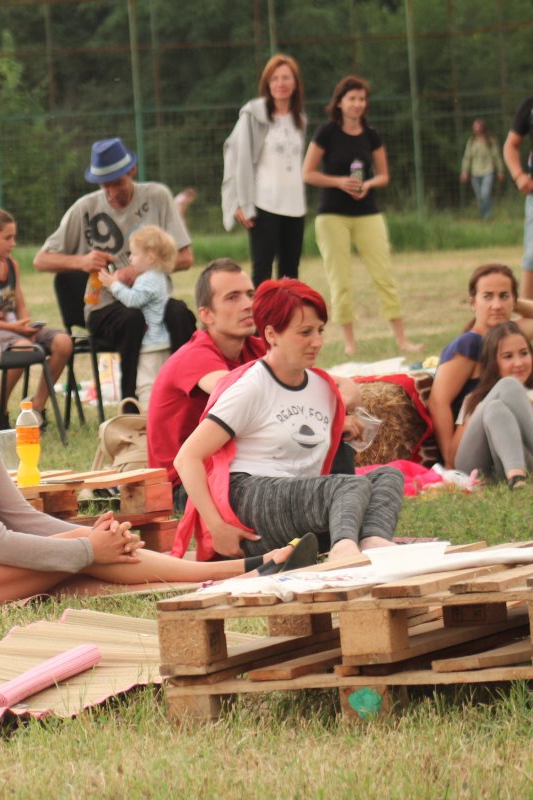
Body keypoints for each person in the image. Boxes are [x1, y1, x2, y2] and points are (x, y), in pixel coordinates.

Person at [0, 318, 306, 609]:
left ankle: (239, 572)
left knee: (94, 563)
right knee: (83, 560)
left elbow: (19, 515)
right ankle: (244, 569)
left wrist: (91, 536)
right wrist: (86, 549)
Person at [173, 279, 402, 564]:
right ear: (271, 334)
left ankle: (371, 542)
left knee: (388, 477)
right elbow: (187, 458)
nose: (316, 342)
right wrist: (217, 528)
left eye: (320, 331)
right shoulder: (252, 386)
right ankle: (344, 551)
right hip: (250, 499)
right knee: (348, 486)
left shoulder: (322, 387)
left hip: (299, 500)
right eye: (305, 332)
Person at [33, 137, 194, 402]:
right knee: (132, 319)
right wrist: (81, 262)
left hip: (153, 298)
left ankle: (184, 393)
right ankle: (130, 403)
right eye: (103, 184)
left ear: (132, 171)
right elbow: (41, 260)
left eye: (116, 183)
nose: (110, 192)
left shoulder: (157, 197)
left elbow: (186, 257)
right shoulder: (86, 208)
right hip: (106, 307)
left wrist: (140, 271)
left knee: (179, 313)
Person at [302, 75, 419, 357]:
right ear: (340, 102)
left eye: (362, 99)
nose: (357, 104)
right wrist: (338, 182)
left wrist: (367, 184)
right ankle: (350, 343)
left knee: (384, 275)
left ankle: (402, 339)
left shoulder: (371, 135)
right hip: (332, 215)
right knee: (340, 280)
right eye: (352, 98)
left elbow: (384, 175)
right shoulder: (326, 133)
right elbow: (308, 173)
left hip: (368, 213)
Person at [147, 260, 265, 511]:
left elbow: (307, 383)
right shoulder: (195, 354)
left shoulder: (255, 348)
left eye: (249, 295)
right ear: (206, 314)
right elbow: (233, 391)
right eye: (232, 297)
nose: (247, 305)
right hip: (183, 485)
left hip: (231, 469)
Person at [0, 207, 72, 427]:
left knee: (63, 342)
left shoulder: (11, 264)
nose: (13, 243)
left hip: (14, 330)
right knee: (23, 349)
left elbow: (20, 304)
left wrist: (27, 325)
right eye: (8, 238)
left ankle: (37, 408)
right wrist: (15, 329)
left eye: (14, 237)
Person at [428, 264, 533, 466]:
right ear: (472, 302)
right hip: (473, 440)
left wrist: (513, 304)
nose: (496, 305)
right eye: (487, 297)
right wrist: (450, 459)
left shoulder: (509, 335)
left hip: (506, 435)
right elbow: (437, 402)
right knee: (506, 389)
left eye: (504, 296)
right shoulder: (470, 343)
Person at [221, 54, 307, 287]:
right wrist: (239, 201)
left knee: (290, 272)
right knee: (262, 271)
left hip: (295, 205)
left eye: (286, 78)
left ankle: (286, 322)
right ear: (267, 84)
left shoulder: (300, 119)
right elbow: (234, 154)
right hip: (264, 204)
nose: (281, 84)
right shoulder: (254, 115)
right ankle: (258, 324)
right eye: (275, 78)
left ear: (295, 83)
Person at [95, 225, 177, 406]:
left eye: (134, 254)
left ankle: (149, 420)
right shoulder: (159, 277)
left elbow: (133, 300)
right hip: (160, 341)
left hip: (151, 344)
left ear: (150, 257)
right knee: (160, 384)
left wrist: (113, 284)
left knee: (146, 386)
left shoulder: (149, 279)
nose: (130, 258)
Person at [453, 322, 533, 490]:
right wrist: (481, 414)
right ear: (493, 363)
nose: (518, 363)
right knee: (496, 408)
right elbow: (452, 455)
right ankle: (516, 477)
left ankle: (516, 475)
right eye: (508, 356)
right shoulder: (475, 399)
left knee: (500, 399)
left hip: (526, 460)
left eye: (524, 353)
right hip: (479, 467)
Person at [504, 95, 533, 298]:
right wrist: (519, 175)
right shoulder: (530, 107)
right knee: (532, 256)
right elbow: (510, 145)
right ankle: (527, 321)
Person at [461, 119, 504, 220]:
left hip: (488, 171)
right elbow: (467, 157)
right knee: (479, 197)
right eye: (474, 126)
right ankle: (482, 215)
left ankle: (487, 215)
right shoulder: (471, 142)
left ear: (483, 127)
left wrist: (500, 171)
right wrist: (464, 171)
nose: (476, 128)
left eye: (478, 126)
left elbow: (496, 156)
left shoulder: (490, 141)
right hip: (475, 173)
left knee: (485, 193)